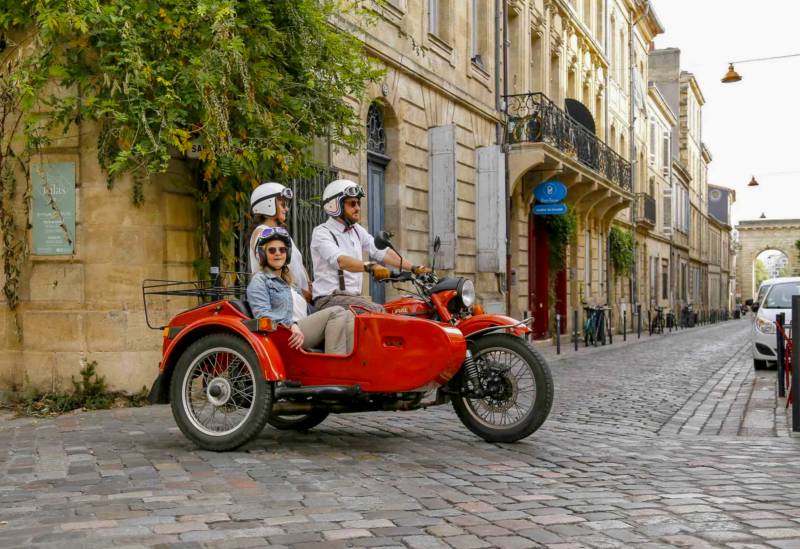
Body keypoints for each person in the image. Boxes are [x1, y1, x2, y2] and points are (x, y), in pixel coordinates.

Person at [310, 179, 427, 312]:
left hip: (353, 298)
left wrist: (414, 268)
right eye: (352, 203)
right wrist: (371, 266)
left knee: (398, 309)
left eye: (358, 203)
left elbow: (382, 252)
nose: (358, 208)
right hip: (329, 299)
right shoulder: (322, 232)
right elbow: (340, 261)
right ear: (335, 205)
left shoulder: (356, 230)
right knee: (377, 312)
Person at [247, 227, 354, 355]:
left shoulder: (289, 282)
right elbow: (262, 315)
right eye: (272, 250)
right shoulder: (259, 280)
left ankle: (349, 368)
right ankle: (335, 368)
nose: (278, 253)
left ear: (287, 254)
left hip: (300, 330)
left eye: (282, 250)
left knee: (349, 315)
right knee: (336, 312)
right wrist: (291, 325)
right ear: (263, 255)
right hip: (285, 333)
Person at [249, 182, 311, 302]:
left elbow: (297, 264)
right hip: (282, 303)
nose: (286, 209)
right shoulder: (262, 233)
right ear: (268, 205)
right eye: (282, 204)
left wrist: (309, 285)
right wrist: (301, 292)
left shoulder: (279, 233)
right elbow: (272, 270)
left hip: (297, 299)